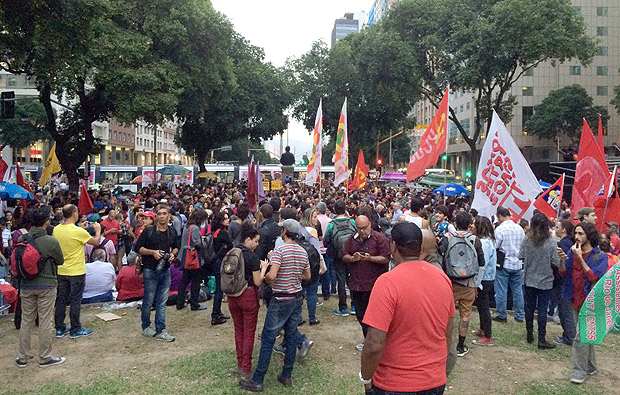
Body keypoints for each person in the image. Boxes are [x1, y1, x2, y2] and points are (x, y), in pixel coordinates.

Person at [360, 222, 455, 394]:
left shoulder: (387, 282)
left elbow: (374, 343)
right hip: (434, 380)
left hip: (394, 383)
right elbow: (447, 332)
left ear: (393, 245)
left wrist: (366, 377)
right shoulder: (442, 278)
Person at [239, 219, 311, 392]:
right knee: (292, 335)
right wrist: (293, 275)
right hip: (296, 297)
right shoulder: (302, 251)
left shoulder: (279, 251)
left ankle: (258, 379)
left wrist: (270, 269)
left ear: (285, 231)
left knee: (268, 338)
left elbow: (271, 277)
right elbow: (307, 275)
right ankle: (287, 375)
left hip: (280, 298)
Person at [15, 207, 66, 368]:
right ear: (47, 222)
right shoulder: (51, 241)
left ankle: (22, 356)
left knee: (26, 320)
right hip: (47, 284)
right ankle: (45, 357)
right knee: (45, 320)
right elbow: (60, 260)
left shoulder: (22, 238)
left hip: (26, 284)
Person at [560, 222, 608, 384]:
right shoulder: (572, 252)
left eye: (581, 234)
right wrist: (561, 260)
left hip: (591, 302)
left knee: (580, 337)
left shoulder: (599, 256)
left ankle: (579, 371)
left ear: (589, 235)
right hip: (574, 298)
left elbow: (594, 277)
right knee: (584, 335)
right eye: (576, 233)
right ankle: (591, 365)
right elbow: (563, 272)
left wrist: (580, 258)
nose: (577, 237)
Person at [438, 211, 484, 357]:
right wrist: (477, 283)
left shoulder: (448, 238)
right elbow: (481, 263)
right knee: (465, 316)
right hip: (469, 283)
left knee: (445, 314)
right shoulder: (475, 240)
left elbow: (439, 255)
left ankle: (443, 342)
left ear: (455, 223)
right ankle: (460, 345)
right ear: (469, 224)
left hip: (450, 282)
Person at [341, 215, 390, 352]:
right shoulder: (352, 239)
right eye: (359, 228)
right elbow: (344, 254)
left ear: (370, 225)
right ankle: (367, 339)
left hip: (375, 283)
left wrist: (370, 258)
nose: (363, 231)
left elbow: (385, 258)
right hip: (357, 283)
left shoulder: (379, 238)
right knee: (361, 314)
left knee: (375, 316)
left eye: (365, 228)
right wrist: (352, 258)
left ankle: (377, 341)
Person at [53, 204, 101, 339]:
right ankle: (75, 328)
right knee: (75, 300)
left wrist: (81, 229)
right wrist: (97, 230)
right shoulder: (78, 232)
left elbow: (71, 235)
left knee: (61, 299)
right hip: (76, 271)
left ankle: (59, 328)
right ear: (75, 214)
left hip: (61, 270)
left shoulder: (57, 229)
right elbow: (96, 242)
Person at [229, 222, 269, 380]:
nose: (257, 244)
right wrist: (264, 268)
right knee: (248, 332)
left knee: (238, 330)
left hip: (233, 295)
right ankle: (246, 367)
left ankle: (240, 364)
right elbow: (258, 281)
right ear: (248, 239)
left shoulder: (233, 252)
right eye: (256, 240)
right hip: (248, 295)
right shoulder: (252, 257)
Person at [134, 204, 179, 342]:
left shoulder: (172, 232)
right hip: (150, 269)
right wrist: (152, 252)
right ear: (156, 216)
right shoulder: (149, 231)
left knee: (162, 301)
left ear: (169, 215)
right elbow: (137, 248)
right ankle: (146, 326)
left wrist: (173, 254)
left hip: (165, 269)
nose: (162, 216)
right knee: (148, 300)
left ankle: (161, 329)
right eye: (159, 213)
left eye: (165, 213)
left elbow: (176, 246)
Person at [519, 213, 559, 349]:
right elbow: (556, 262)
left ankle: (529, 333)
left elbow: (521, 256)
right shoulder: (551, 243)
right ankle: (541, 338)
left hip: (529, 279)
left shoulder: (527, 240)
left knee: (529, 307)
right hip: (545, 280)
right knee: (542, 310)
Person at [323, 199, 356, 316]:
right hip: (351, 254)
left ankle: (343, 308)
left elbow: (326, 241)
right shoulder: (352, 222)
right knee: (352, 279)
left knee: (341, 281)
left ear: (335, 210)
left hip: (338, 255)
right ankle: (354, 306)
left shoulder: (331, 224)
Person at [494, 206, 526, 323]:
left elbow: (495, 246)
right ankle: (519, 315)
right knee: (517, 291)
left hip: (504, 263)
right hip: (517, 263)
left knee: (501, 290)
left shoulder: (500, 230)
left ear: (500, 216)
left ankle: (502, 315)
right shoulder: (519, 229)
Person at [299, 207, 327, 325]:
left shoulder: (298, 229)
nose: (317, 219)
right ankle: (312, 317)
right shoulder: (312, 231)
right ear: (309, 218)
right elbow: (317, 251)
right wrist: (322, 265)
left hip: (299, 262)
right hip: (311, 263)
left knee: (300, 291)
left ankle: (298, 318)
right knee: (311, 291)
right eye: (315, 217)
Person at [177, 208, 209, 311]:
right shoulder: (195, 228)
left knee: (184, 281)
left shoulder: (187, 226)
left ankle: (180, 302)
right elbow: (197, 244)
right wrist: (203, 241)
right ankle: (194, 303)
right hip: (193, 258)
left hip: (185, 257)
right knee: (195, 282)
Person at [472, 216, 496, 346]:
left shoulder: (484, 243)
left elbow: (483, 264)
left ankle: (488, 335)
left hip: (484, 279)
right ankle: (482, 329)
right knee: (481, 306)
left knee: (484, 306)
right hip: (486, 278)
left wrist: (477, 282)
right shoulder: (487, 240)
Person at [552, 218, 576, 346]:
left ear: (563, 230)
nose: (555, 229)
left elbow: (563, 263)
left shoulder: (563, 244)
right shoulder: (569, 242)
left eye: (557, 227)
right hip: (566, 281)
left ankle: (569, 336)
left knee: (564, 310)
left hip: (563, 281)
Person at [211, 211, 233, 325]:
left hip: (216, 261)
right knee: (219, 289)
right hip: (221, 261)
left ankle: (217, 312)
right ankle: (215, 315)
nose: (228, 220)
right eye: (225, 218)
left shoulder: (216, 231)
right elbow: (230, 245)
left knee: (219, 288)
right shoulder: (223, 233)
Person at [316, 202, 335, 300]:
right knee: (326, 271)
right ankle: (326, 292)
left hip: (318, 248)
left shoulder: (316, 220)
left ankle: (316, 291)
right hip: (326, 248)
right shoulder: (330, 221)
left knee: (316, 271)